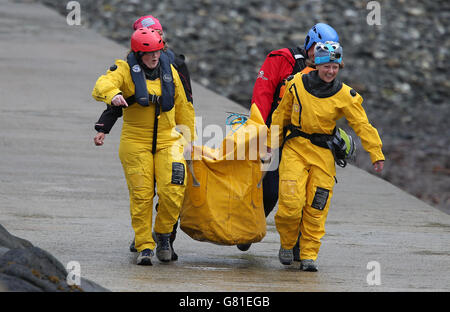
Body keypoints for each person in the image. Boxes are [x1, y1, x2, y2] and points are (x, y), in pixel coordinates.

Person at [268, 41, 385, 271]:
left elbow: (362, 125)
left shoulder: (345, 95)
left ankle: (309, 254)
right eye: (327, 66)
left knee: (317, 206)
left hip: (323, 155)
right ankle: (288, 244)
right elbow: (280, 116)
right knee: (291, 204)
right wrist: (271, 144)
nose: (331, 71)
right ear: (317, 64)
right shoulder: (296, 85)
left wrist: (376, 153)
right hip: (296, 149)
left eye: (335, 67)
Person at [92, 28, 195, 265]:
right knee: (141, 195)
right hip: (135, 141)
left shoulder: (170, 71)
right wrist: (113, 94)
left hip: (169, 140)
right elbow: (102, 84)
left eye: (157, 51)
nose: (154, 57)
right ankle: (144, 245)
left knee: (173, 191)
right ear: (138, 54)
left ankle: (163, 234)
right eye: (149, 53)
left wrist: (189, 141)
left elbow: (184, 107)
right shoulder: (124, 70)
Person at [237, 23, 340, 255]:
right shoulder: (282, 59)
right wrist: (259, 129)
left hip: (307, 144)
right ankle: (248, 229)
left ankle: (296, 246)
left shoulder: (327, 69)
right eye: (317, 49)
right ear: (309, 45)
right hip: (275, 136)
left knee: (304, 196)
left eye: (326, 49)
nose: (320, 55)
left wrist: (337, 137)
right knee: (271, 191)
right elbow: (262, 93)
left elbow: (335, 105)